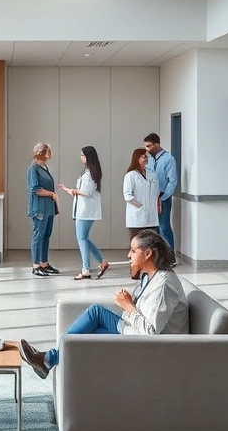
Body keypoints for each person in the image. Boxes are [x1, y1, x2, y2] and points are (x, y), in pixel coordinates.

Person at [19, 230, 188, 379]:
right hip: (133, 332)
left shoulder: (164, 285)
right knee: (90, 324)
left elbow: (151, 333)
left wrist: (129, 306)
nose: (128, 255)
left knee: (90, 325)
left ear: (148, 254)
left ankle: (48, 359)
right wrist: (130, 301)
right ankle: (49, 359)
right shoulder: (148, 277)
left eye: (133, 250)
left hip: (154, 347)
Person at [59, 146, 108, 280]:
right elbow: (81, 191)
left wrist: (75, 191)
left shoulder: (90, 173)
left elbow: (86, 192)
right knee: (83, 238)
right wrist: (67, 189)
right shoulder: (87, 172)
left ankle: (86, 269)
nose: (80, 157)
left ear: (88, 157)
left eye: (82, 155)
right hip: (82, 210)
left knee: (81, 238)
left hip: (86, 211)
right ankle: (101, 262)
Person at [27, 142, 60, 277]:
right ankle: (36, 265)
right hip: (39, 209)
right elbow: (35, 189)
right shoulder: (33, 169)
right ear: (41, 153)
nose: (49, 153)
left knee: (46, 236)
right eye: (48, 151)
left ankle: (44, 263)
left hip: (49, 208)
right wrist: (51, 194)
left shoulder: (44, 167)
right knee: (38, 236)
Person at [144, 133, 178, 254]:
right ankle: (158, 256)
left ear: (157, 144)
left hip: (163, 196)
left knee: (164, 227)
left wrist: (163, 198)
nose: (147, 149)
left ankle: (170, 257)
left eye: (149, 146)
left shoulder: (168, 159)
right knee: (154, 228)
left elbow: (172, 181)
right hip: (150, 196)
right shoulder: (149, 159)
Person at [123, 148, 161, 241]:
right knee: (137, 244)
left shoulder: (153, 175)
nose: (146, 159)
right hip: (137, 217)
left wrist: (158, 205)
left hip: (152, 216)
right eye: (143, 157)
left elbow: (157, 193)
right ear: (137, 158)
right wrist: (140, 206)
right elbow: (127, 195)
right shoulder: (130, 175)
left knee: (152, 243)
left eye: (146, 157)